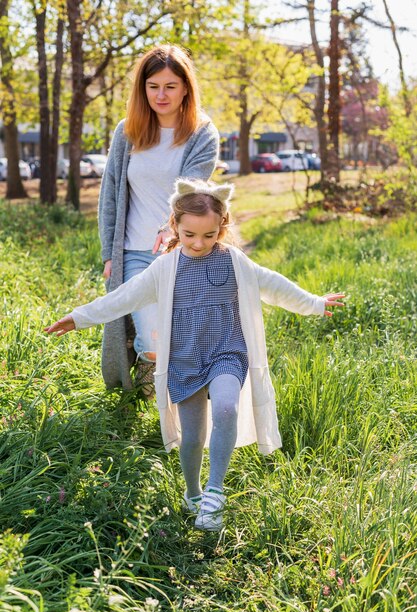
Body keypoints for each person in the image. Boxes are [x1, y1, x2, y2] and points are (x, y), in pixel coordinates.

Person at [45, 178, 345, 531]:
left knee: (225, 407)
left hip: (226, 352)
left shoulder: (234, 261)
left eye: (209, 235)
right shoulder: (165, 268)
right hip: (184, 359)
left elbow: (273, 284)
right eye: (189, 235)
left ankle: (216, 491)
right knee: (192, 438)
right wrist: (79, 317)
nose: (199, 243)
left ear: (222, 227)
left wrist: (314, 302)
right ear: (174, 225)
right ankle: (194, 493)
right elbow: (123, 297)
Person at [98, 44, 219, 395]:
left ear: (185, 88)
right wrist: (110, 253)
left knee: (183, 334)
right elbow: (110, 197)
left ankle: (178, 402)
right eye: (153, 86)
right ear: (143, 89)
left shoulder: (201, 132)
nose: (161, 95)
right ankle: (150, 372)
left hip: (182, 252)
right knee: (152, 337)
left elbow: (193, 189)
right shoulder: (127, 132)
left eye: (170, 86)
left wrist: (172, 226)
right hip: (134, 252)